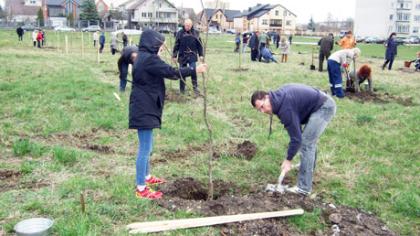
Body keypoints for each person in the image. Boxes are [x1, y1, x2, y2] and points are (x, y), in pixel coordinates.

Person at [130, 29, 207, 199]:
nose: (161, 48)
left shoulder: (144, 56)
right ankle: (141, 188)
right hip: (144, 109)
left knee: (148, 147)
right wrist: (194, 69)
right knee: (144, 149)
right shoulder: (149, 59)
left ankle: (147, 177)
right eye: (159, 44)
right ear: (151, 44)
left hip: (146, 106)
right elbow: (172, 72)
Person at [251, 84, 336, 196]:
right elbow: (296, 131)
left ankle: (303, 188)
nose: (262, 111)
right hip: (320, 103)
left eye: (262, 107)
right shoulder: (278, 99)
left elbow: (296, 139)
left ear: (267, 97)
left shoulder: (285, 109)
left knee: (306, 142)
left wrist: (288, 160)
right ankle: (308, 169)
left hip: (324, 107)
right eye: (259, 110)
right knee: (308, 140)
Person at [172, 19, 204, 95]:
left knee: (193, 71)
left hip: (192, 55)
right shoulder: (180, 33)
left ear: (191, 25)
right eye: (186, 25)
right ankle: (182, 90)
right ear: (184, 24)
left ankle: (195, 89)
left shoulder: (196, 33)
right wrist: (174, 55)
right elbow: (176, 44)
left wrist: (201, 55)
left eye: (189, 25)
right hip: (182, 55)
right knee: (182, 72)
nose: (188, 27)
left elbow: (199, 45)